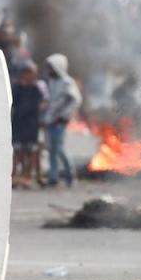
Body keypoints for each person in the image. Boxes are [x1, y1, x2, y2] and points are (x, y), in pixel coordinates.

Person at [43, 53, 82, 187]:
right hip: (50, 120)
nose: (49, 70)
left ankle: (70, 175)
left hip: (60, 121)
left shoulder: (67, 82)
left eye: (51, 67)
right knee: (51, 149)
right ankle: (53, 177)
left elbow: (75, 100)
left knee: (59, 148)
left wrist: (64, 115)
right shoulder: (52, 81)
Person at [11, 62, 43, 189]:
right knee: (17, 152)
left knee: (30, 153)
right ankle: (15, 177)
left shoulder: (36, 89)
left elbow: (38, 106)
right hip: (18, 124)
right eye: (26, 73)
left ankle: (27, 177)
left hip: (31, 126)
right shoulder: (17, 88)